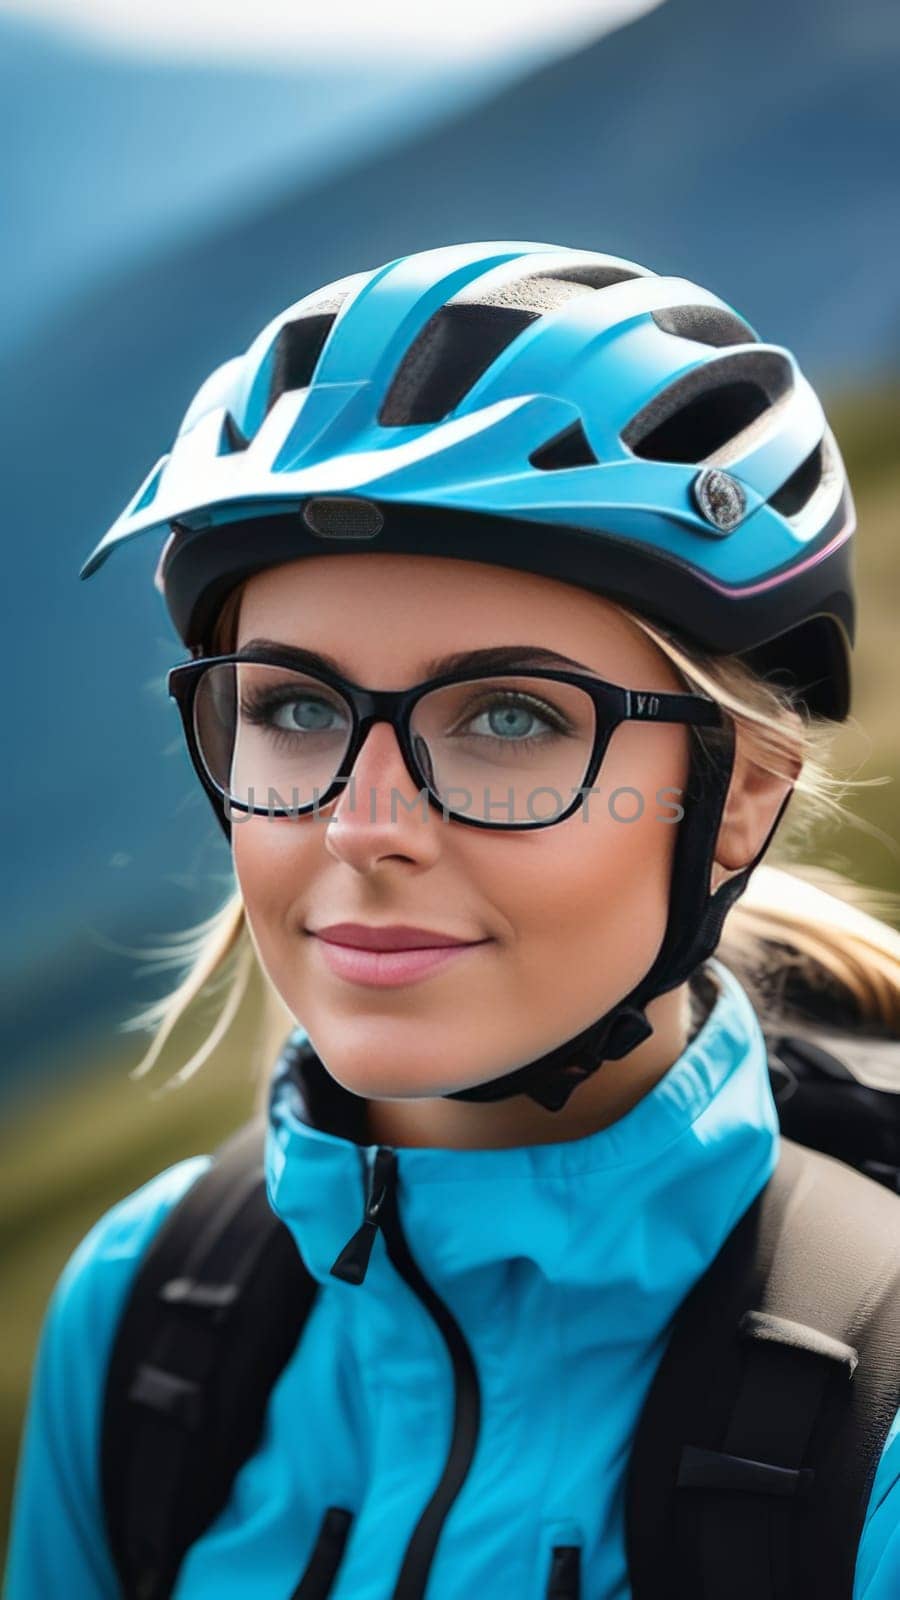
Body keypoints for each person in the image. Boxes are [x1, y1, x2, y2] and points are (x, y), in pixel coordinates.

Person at [4, 241, 899, 1599]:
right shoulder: (140, 1319)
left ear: (735, 800)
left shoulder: (875, 1422)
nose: (361, 828)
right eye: (294, 707)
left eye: (509, 718)